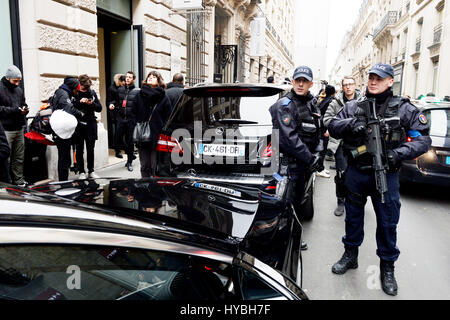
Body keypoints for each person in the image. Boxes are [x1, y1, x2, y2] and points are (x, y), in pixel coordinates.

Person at [328, 63, 431, 296]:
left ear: (389, 81)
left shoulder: (403, 109)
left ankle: (387, 268)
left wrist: (398, 154)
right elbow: (333, 126)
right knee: (353, 218)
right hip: (356, 172)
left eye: (379, 78)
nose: (373, 81)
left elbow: (422, 140)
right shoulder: (354, 106)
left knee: (387, 223)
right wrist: (352, 125)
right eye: (371, 77)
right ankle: (350, 255)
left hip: (386, 173)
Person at [269, 65, 324, 251]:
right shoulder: (284, 105)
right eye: (297, 80)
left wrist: (318, 152)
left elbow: (318, 131)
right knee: (286, 204)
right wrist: (311, 158)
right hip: (287, 165)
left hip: (303, 165)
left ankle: (294, 235)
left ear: (311, 84)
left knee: (298, 202)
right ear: (292, 82)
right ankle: (286, 242)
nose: (301, 84)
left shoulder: (312, 104)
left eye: (305, 81)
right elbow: (288, 139)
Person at [324, 76, 360, 216]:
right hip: (340, 144)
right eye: (345, 85)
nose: (348, 87)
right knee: (341, 174)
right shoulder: (335, 102)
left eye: (351, 84)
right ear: (342, 87)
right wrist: (344, 125)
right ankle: (341, 201)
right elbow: (326, 119)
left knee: (358, 174)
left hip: (359, 145)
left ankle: (355, 200)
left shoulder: (363, 100)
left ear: (355, 85)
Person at [135, 71, 172, 177]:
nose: (150, 78)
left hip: (157, 136)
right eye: (149, 76)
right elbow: (133, 113)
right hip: (142, 134)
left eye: (154, 77)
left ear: (159, 81)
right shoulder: (139, 95)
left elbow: (168, 117)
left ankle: (154, 189)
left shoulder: (163, 97)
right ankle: (144, 186)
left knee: (154, 166)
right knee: (144, 165)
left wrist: (163, 131)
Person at [51, 76, 84, 181]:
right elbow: (69, 108)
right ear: (72, 87)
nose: (77, 92)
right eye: (76, 89)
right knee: (64, 158)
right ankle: (63, 182)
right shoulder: (63, 94)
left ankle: (64, 180)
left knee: (64, 157)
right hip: (61, 132)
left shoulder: (60, 92)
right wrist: (80, 114)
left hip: (60, 130)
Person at [0, 65, 28, 186]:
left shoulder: (19, 90)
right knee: (6, 158)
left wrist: (25, 109)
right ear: (7, 78)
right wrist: (15, 110)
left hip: (18, 127)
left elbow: (23, 103)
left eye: (19, 81)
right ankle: (7, 183)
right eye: (15, 81)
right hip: (5, 128)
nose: (17, 83)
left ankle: (19, 181)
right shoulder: (0, 88)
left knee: (19, 158)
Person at [73, 74, 103, 179]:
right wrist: (80, 102)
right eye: (83, 87)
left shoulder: (92, 93)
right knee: (79, 149)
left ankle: (91, 170)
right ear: (79, 84)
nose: (84, 89)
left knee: (91, 149)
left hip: (91, 124)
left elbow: (99, 108)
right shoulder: (75, 93)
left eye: (86, 87)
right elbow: (71, 107)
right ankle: (81, 171)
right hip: (78, 125)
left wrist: (91, 103)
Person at [113, 71, 140, 172]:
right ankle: (130, 154)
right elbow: (116, 102)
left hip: (131, 119)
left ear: (134, 79)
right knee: (117, 140)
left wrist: (137, 118)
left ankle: (129, 162)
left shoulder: (138, 91)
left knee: (129, 142)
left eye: (130, 77)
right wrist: (113, 107)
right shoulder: (119, 90)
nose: (127, 78)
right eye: (126, 77)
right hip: (120, 118)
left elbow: (139, 106)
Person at [316, 84, 336, 178]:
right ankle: (319, 168)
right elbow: (329, 116)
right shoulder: (330, 101)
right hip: (324, 128)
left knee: (322, 148)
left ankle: (321, 167)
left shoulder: (324, 100)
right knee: (322, 149)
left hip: (321, 127)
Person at [107, 74, 125, 158]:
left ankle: (126, 149)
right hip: (116, 113)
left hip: (124, 113)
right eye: (123, 81)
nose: (124, 83)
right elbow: (109, 101)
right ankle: (117, 151)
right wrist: (112, 104)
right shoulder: (112, 89)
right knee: (118, 133)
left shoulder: (125, 89)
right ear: (119, 81)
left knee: (124, 132)